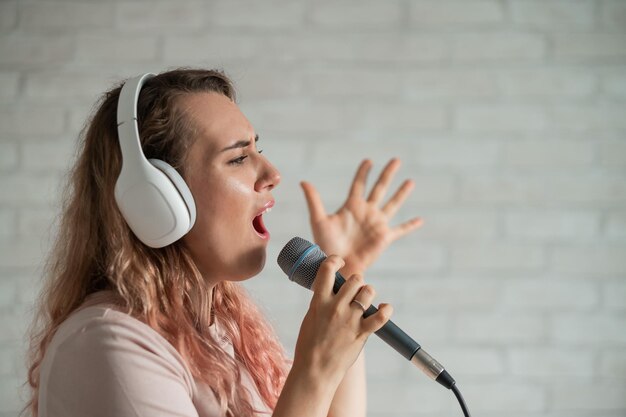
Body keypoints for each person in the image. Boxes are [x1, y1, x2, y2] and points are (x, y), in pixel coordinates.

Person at [26, 68, 422, 417]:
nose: (272, 173)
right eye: (237, 158)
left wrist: (344, 272)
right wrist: (313, 371)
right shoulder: (108, 344)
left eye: (258, 149)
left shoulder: (224, 333)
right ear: (156, 198)